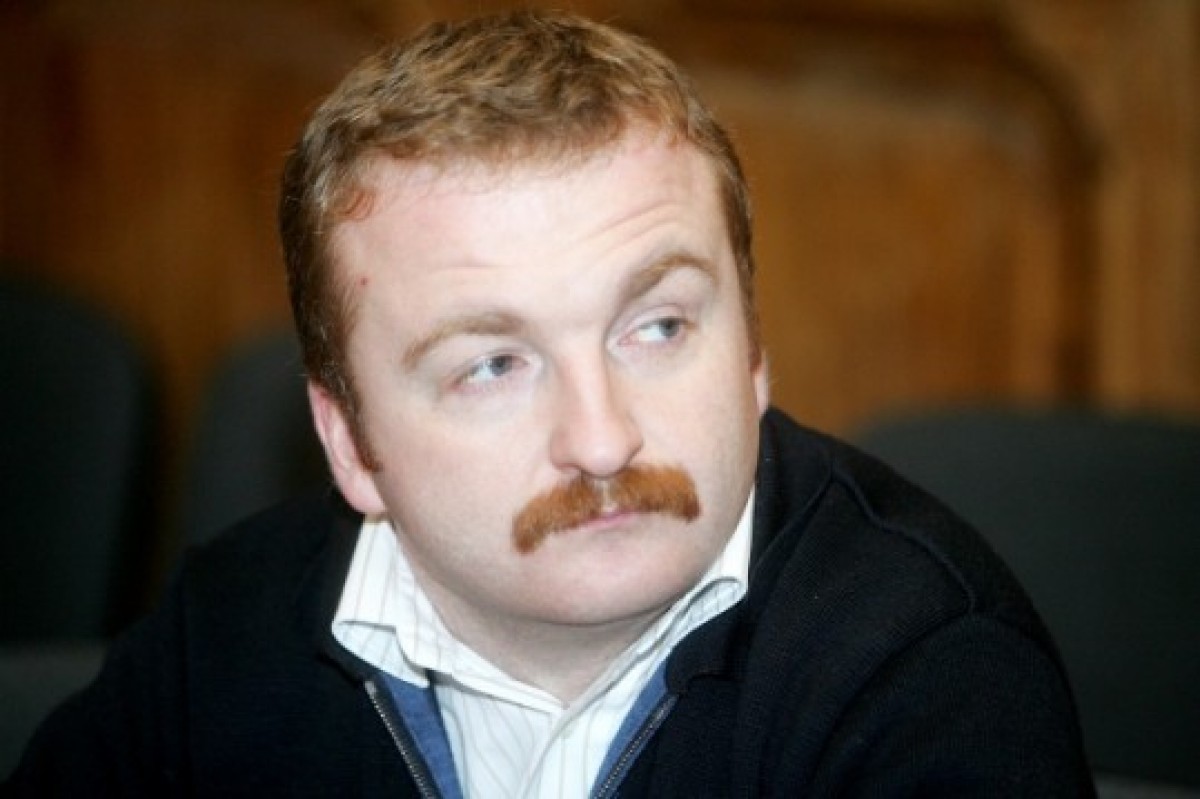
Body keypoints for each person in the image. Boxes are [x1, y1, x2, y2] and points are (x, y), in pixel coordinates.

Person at [5, 9, 1094, 797]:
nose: (603, 437)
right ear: (350, 444)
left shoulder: (926, 674)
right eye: (493, 365)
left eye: (656, 327)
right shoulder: (225, 636)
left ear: (755, 349)